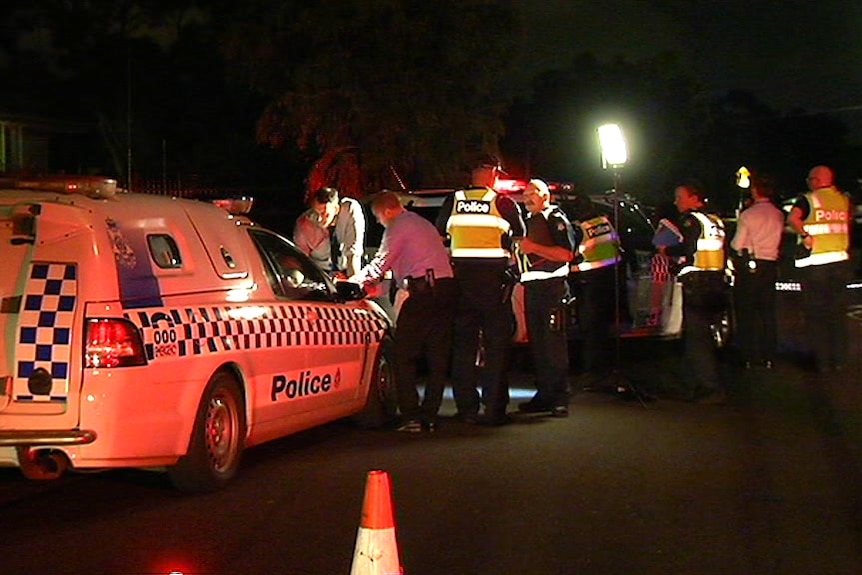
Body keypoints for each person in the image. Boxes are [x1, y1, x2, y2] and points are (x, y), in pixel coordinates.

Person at [348, 191, 457, 432]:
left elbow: (382, 260)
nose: (379, 222)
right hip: (445, 289)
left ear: (386, 211)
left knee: (403, 354)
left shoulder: (398, 225)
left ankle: (412, 415)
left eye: (377, 217)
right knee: (437, 356)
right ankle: (430, 414)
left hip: (424, 293)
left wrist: (354, 282)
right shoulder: (420, 223)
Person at [436, 158, 525, 425]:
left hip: (461, 279)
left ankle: (466, 408)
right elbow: (520, 233)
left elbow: (441, 232)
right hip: (492, 281)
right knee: (497, 345)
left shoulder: (454, 200)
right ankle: (494, 409)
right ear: (492, 176)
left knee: (464, 345)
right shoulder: (502, 203)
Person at [513, 179, 576, 417]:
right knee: (538, 345)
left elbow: (567, 254)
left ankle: (560, 398)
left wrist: (533, 247)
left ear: (545, 196)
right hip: (533, 289)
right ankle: (544, 395)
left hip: (553, 288)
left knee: (553, 345)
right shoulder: (528, 221)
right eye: (525, 194)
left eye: (532, 194)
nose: (527, 198)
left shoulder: (556, 218)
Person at [665, 181, 730, 404]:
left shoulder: (691, 219)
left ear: (694, 198)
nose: (676, 202)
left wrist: (666, 249)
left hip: (698, 284)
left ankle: (709, 387)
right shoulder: (715, 220)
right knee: (705, 337)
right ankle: (694, 382)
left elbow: (688, 249)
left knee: (697, 338)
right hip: (716, 282)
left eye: (679, 197)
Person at [787, 165, 853, 373]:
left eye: (809, 179)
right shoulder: (843, 199)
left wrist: (805, 236)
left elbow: (793, 219)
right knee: (837, 314)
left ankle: (822, 361)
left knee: (817, 315)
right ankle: (839, 359)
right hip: (841, 263)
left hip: (816, 265)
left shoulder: (808, 199)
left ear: (815, 180)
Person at [566, 192, 621, 386]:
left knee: (589, 329)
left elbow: (572, 255)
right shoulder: (605, 222)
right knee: (602, 329)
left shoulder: (580, 228)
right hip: (609, 278)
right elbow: (617, 247)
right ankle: (603, 368)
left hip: (588, 282)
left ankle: (591, 372)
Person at [730, 174, 784, 369]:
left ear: (755, 191)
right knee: (767, 312)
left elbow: (737, 244)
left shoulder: (748, 215)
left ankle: (748, 355)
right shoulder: (778, 214)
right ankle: (769, 354)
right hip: (770, 264)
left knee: (746, 312)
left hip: (751, 265)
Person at [293, 186, 365, 278]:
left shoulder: (350, 210)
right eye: (316, 212)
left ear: (336, 210)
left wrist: (353, 282)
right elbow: (301, 260)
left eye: (324, 214)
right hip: (320, 274)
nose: (319, 219)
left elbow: (353, 251)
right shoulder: (304, 224)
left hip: (347, 268)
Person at [646, 201, 683, 328]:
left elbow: (658, 243)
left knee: (658, 290)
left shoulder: (665, 225)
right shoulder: (679, 225)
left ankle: (655, 317)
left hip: (662, 260)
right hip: (673, 260)